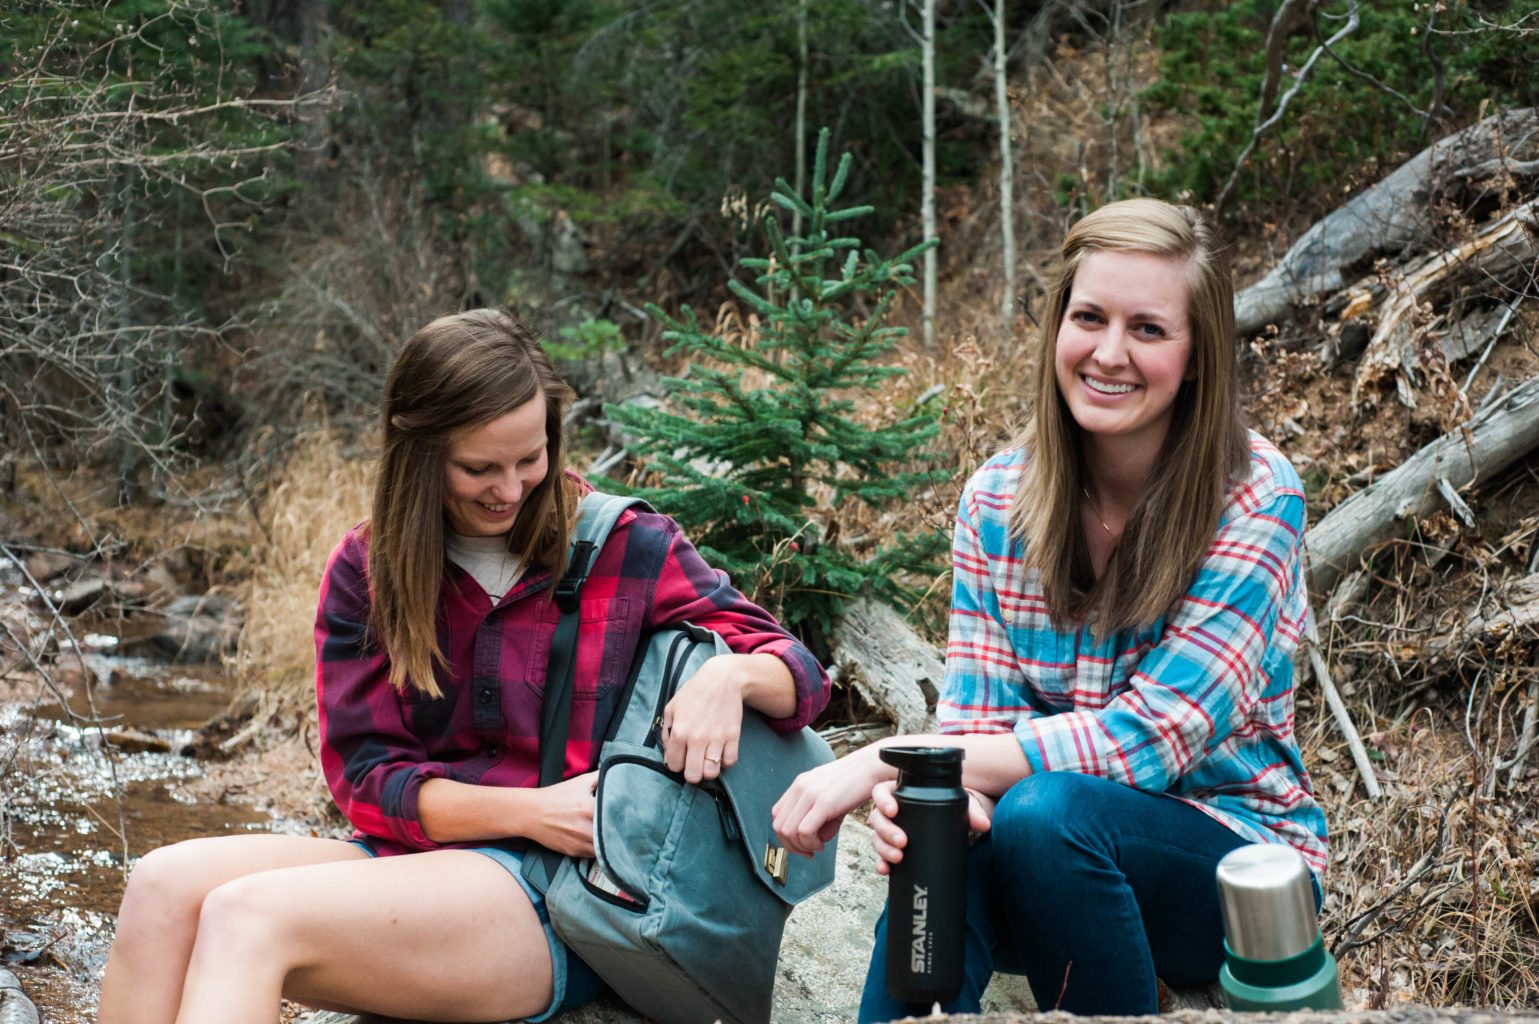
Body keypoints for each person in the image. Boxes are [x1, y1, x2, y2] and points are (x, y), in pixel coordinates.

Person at [99, 309, 830, 1024]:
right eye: (477, 467)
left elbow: (799, 673)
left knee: (247, 916)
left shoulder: (627, 544)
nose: (509, 490)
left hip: (560, 899)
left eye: (529, 459)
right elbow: (366, 779)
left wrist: (728, 677)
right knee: (162, 884)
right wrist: (534, 812)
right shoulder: (368, 567)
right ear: (417, 454)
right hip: (416, 863)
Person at [771, 198, 1328, 1020]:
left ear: (1197, 355)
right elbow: (977, 729)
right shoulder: (998, 500)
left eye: (1147, 329)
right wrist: (939, 798)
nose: (1108, 353)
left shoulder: (1252, 497)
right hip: (1044, 858)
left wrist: (891, 760)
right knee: (945, 838)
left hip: (1227, 873)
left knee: (1043, 812)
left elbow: (1151, 738)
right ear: (1056, 328)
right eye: (1089, 317)